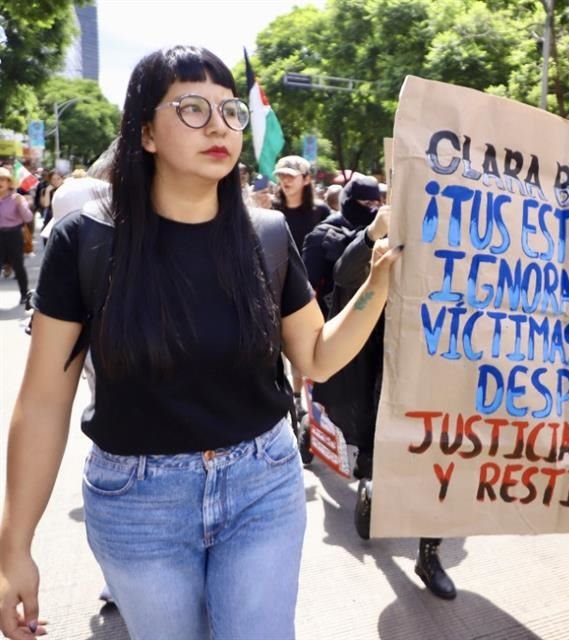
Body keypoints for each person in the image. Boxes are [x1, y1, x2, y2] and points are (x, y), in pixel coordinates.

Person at [0, 45, 400, 640]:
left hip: (262, 483)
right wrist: (15, 550)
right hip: (137, 501)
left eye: (230, 110)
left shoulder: (264, 235)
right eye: (191, 108)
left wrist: (380, 280)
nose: (219, 125)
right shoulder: (85, 242)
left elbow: (316, 355)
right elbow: (42, 405)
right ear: (147, 134)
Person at [302, 175, 457, 600]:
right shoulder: (347, 234)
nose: (372, 208)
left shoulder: (443, 236)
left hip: (430, 364)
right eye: (366, 205)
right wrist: (374, 234)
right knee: (375, 443)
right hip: (370, 367)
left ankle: (429, 554)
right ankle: (370, 485)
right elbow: (342, 273)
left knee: (441, 461)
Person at [272, 155, 331, 410]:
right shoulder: (271, 213)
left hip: (314, 290)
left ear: (306, 180)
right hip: (278, 288)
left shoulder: (322, 212)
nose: (285, 181)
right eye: (281, 175)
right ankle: (295, 401)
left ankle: (315, 404)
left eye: (291, 175)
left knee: (312, 347)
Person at [0, 167, 33, 308]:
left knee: (18, 266)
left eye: (2, 179)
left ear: (9, 182)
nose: (0, 182)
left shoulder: (16, 198)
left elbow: (28, 217)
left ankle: (25, 294)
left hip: (14, 234)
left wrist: (21, 205)